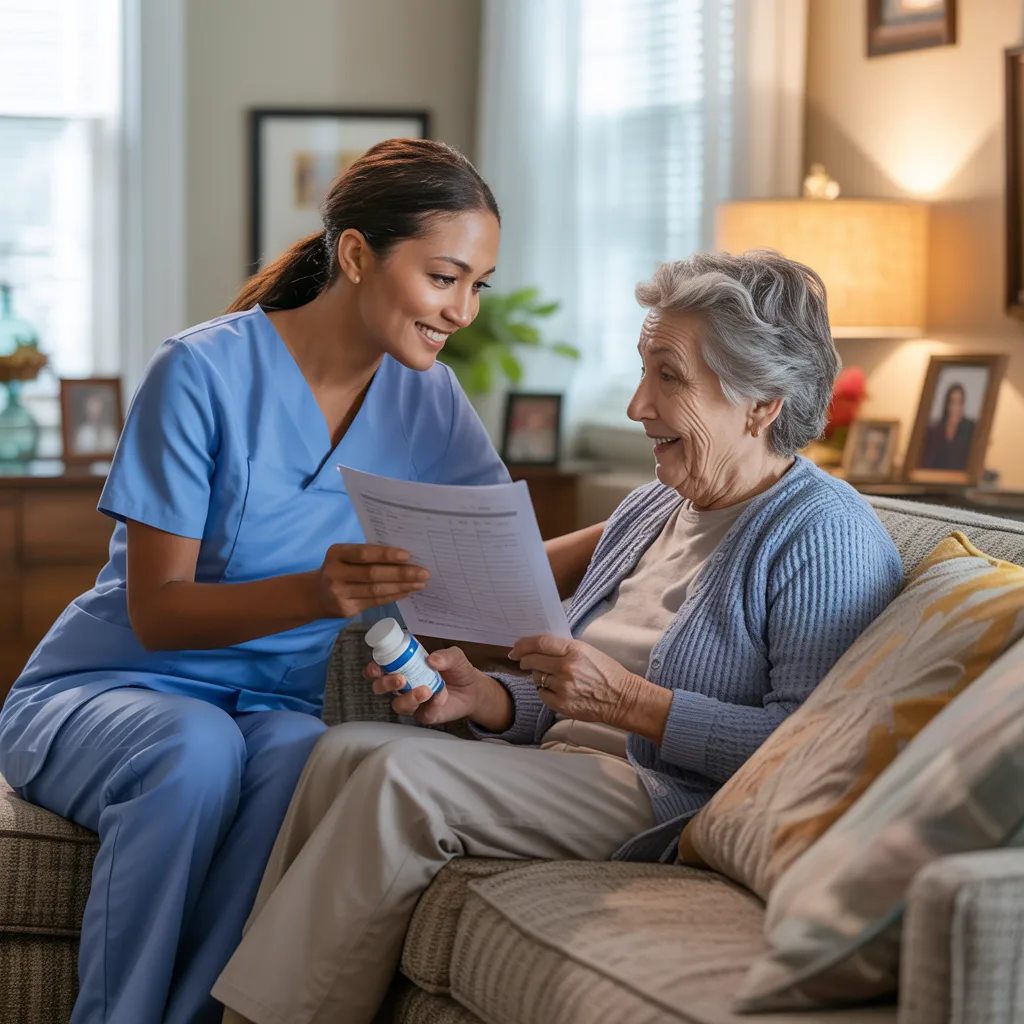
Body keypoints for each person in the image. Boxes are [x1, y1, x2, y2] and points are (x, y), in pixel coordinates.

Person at [213, 249, 905, 1024]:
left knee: (402, 780)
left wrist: (637, 705)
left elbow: (805, 753)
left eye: (669, 377)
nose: (638, 406)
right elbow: (572, 697)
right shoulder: (654, 507)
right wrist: (492, 700)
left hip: (669, 798)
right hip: (571, 770)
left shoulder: (823, 532)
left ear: (761, 403)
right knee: (342, 750)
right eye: (643, 371)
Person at [0, 139, 603, 1024]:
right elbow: (158, 614)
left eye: (479, 285)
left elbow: (496, 584)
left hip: (271, 711)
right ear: (356, 255)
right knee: (192, 753)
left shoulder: (428, 402)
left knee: (302, 761)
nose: (464, 311)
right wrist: (319, 595)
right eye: (445, 278)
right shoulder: (200, 373)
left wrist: (645, 515)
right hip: (115, 684)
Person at [921, 381, 975, 470]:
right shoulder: (935, 430)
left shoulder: (970, 429)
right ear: (947, 404)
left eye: (959, 403)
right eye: (953, 402)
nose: (956, 407)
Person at [73, 388, 120, 454]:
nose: (95, 411)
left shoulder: (110, 432)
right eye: (92, 408)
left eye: (97, 407)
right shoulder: (82, 433)